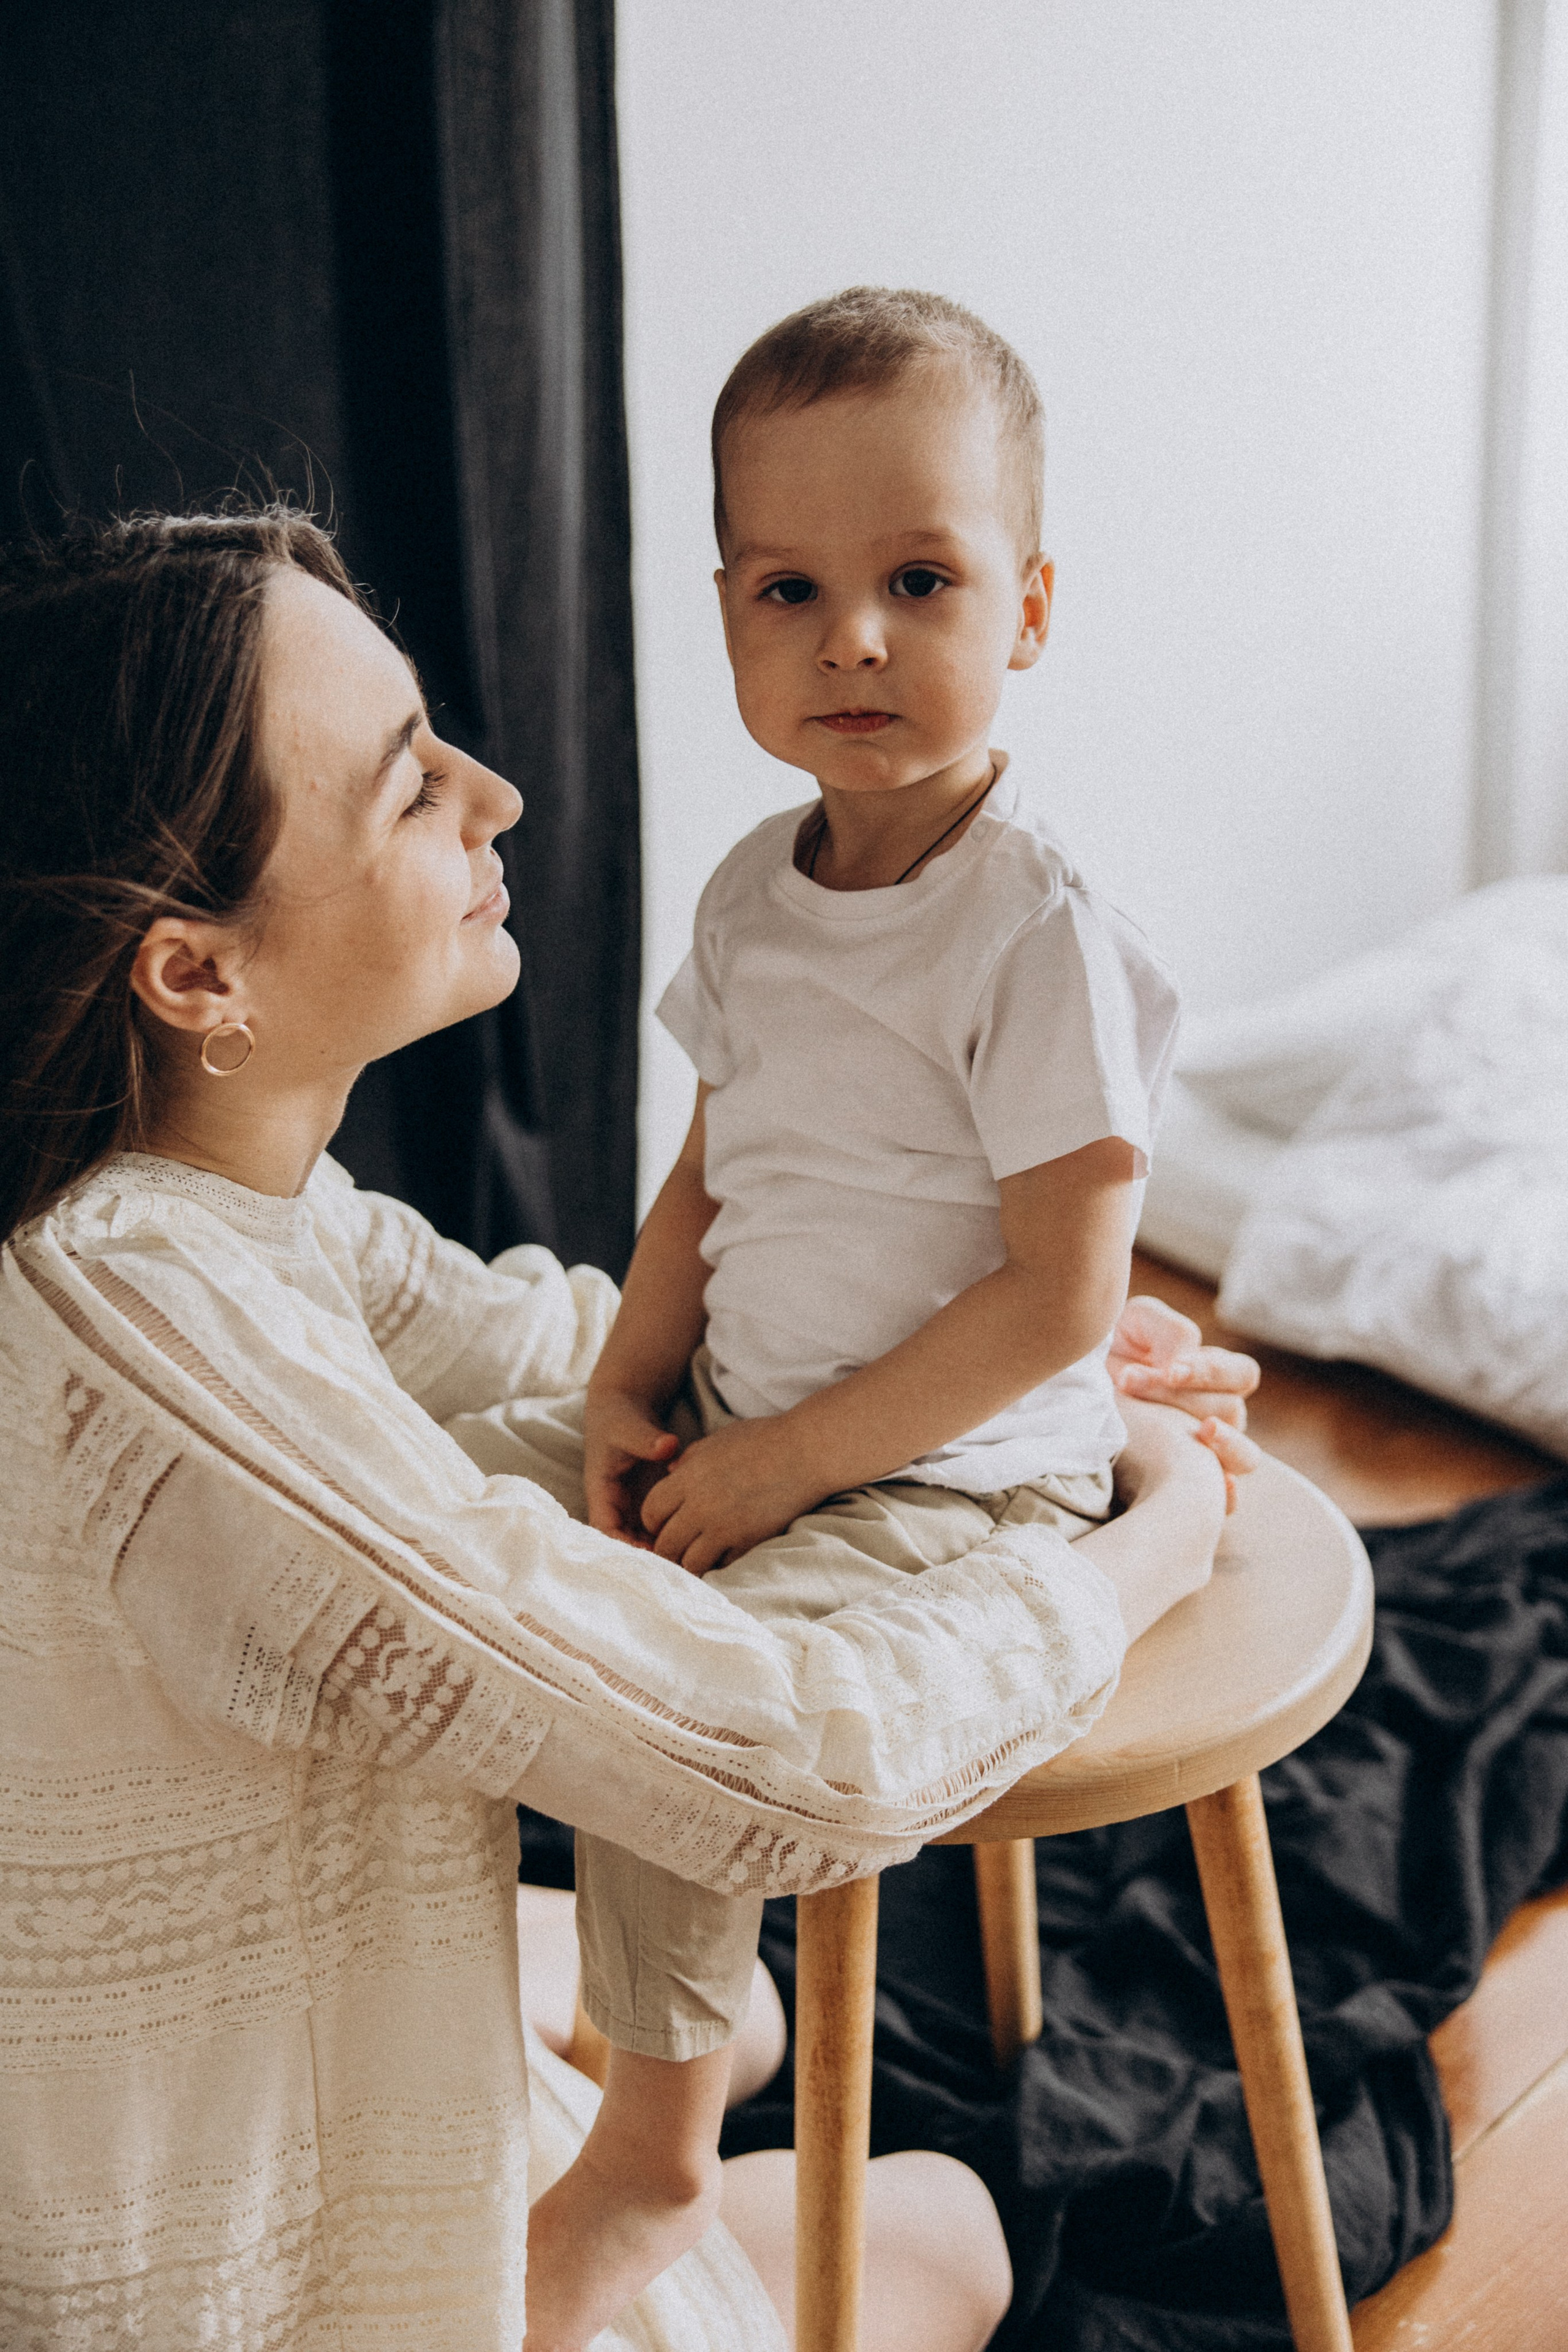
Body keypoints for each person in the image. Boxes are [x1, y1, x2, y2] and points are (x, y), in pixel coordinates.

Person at [0, 508, 1254, 2352]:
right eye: (409, 785)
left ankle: (644, 2106)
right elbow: (791, 1760)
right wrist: (1152, 1543)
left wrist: (986, 1368)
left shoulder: (158, 1208)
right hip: (236, 2290)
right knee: (953, 2231)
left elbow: (537, 1328)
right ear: (201, 976)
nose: (495, 794)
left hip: (189, 2059)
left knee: (736, 2021)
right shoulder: (182, 1376)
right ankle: (638, 2183)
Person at [535, 288, 1251, 2349]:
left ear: (1026, 610)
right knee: (507, 1584)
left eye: (915, 580)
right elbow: (713, 1160)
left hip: (952, 1470)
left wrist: (783, 1462)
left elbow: (1062, 1297)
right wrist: (630, 1377)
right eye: (792, 587)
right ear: (730, 610)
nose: (851, 636)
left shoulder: (1034, 930)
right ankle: (694, 1993)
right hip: (768, 1413)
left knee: (694, 1679)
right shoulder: (758, 888)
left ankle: (660, 2149)